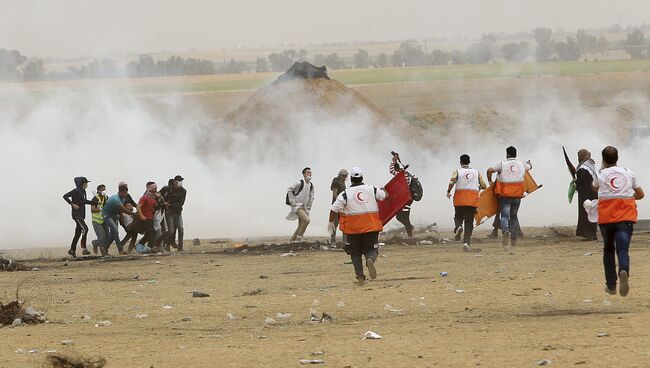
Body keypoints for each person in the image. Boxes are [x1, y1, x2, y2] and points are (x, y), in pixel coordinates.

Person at [593, 146, 644, 296]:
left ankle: (611, 285)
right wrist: (626, 196)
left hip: (606, 218)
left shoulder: (600, 174)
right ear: (617, 158)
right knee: (623, 249)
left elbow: (594, 188)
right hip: (625, 217)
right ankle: (623, 270)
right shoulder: (628, 173)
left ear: (603, 159)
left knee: (608, 249)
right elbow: (640, 194)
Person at [331, 167, 388, 285]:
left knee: (355, 253)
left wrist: (331, 222)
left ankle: (360, 277)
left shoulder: (345, 194)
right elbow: (384, 196)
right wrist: (384, 189)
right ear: (362, 178)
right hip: (371, 227)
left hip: (353, 230)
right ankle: (370, 260)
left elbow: (334, 209)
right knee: (371, 249)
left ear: (351, 179)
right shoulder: (372, 189)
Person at [487, 146, 532, 253]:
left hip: (504, 196)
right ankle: (514, 238)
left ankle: (505, 231)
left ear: (507, 154)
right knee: (514, 216)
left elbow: (489, 170)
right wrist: (529, 163)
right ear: (516, 154)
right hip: (517, 196)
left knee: (505, 216)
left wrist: (490, 181)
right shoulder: (522, 164)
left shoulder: (502, 164)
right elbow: (530, 166)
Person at [446, 154, 487, 251]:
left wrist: (448, 191)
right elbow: (484, 185)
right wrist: (478, 188)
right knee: (469, 223)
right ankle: (466, 242)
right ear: (469, 161)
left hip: (459, 200)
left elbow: (452, 182)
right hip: (472, 201)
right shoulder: (477, 173)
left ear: (460, 162)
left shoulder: (457, 172)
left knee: (458, 216)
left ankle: (459, 226)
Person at [63, 177, 93, 258]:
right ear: (81, 183)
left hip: (82, 214)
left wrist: (95, 203)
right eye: (85, 183)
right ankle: (84, 249)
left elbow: (84, 201)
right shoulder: (75, 191)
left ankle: (72, 250)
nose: (87, 184)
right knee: (85, 229)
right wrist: (72, 204)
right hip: (76, 215)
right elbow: (65, 196)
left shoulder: (83, 191)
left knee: (78, 233)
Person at [102, 183, 136, 255]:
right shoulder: (115, 199)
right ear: (120, 192)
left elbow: (120, 211)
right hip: (107, 215)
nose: (125, 194)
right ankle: (120, 250)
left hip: (114, 215)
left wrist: (123, 222)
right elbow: (124, 210)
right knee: (115, 231)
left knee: (113, 233)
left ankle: (105, 249)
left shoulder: (123, 198)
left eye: (126, 192)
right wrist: (135, 214)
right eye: (124, 193)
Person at [389, 153, 415, 237]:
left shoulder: (400, 174)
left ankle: (410, 232)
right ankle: (410, 231)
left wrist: (393, 161)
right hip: (407, 199)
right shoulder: (406, 174)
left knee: (401, 217)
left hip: (405, 199)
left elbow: (391, 170)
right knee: (403, 217)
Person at [287, 168, 315, 242]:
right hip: (297, 206)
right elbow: (289, 190)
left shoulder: (311, 185)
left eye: (310, 172)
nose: (310, 174)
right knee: (306, 220)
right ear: (304, 174)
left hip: (305, 207)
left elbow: (311, 197)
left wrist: (309, 207)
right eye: (308, 172)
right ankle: (300, 237)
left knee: (301, 224)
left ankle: (292, 240)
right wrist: (293, 202)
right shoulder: (299, 183)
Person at [575, 149, 598, 240]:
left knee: (586, 212)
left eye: (580, 155)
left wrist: (575, 181)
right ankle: (593, 233)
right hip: (593, 193)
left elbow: (581, 180)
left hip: (586, 194)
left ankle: (588, 233)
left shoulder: (584, 167)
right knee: (593, 212)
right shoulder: (590, 165)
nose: (578, 157)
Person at [163, 175, 187, 252]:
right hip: (169, 213)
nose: (180, 182)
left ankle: (180, 246)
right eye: (179, 181)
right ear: (175, 181)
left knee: (181, 229)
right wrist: (164, 203)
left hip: (178, 212)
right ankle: (167, 244)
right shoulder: (168, 189)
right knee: (171, 231)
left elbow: (181, 203)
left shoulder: (183, 191)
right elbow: (160, 195)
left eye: (181, 181)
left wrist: (170, 205)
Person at [137, 182, 162, 251]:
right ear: (150, 189)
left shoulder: (152, 198)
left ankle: (140, 244)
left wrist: (159, 199)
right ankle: (151, 247)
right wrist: (141, 216)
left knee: (150, 233)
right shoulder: (145, 197)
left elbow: (156, 206)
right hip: (145, 218)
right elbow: (138, 206)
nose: (155, 191)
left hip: (150, 218)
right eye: (154, 189)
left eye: (156, 189)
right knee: (152, 232)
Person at [328, 169, 348, 244]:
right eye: (346, 175)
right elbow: (335, 194)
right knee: (335, 223)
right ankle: (332, 240)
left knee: (344, 222)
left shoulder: (342, 182)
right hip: (337, 205)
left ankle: (345, 240)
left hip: (342, 206)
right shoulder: (336, 181)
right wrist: (339, 203)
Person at [90, 184, 110, 256]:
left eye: (104, 189)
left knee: (107, 237)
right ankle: (104, 253)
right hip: (96, 221)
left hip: (104, 220)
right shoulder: (95, 199)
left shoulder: (106, 197)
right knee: (102, 236)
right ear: (98, 191)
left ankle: (95, 243)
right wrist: (100, 209)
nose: (104, 191)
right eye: (102, 190)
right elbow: (92, 210)